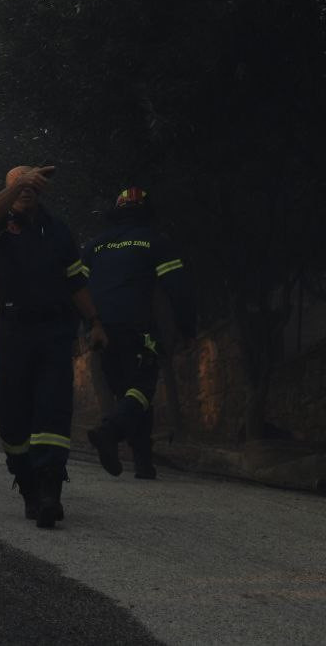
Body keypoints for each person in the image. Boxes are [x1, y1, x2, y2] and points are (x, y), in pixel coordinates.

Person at [0, 165, 108, 528]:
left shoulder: (58, 231)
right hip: (13, 334)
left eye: (31, 186)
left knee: (52, 413)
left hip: (54, 333)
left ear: (41, 192)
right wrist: (17, 182)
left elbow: (76, 282)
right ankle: (27, 487)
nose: (25, 191)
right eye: (19, 186)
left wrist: (95, 323)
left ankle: (51, 492)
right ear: (8, 191)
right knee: (10, 418)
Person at [83, 186, 196, 479]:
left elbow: (76, 289)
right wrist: (188, 329)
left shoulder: (94, 246)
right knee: (143, 389)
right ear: (146, 213)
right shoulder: (154, 242)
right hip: (136, 329)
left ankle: (144, 464)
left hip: (101, 331)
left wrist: (86, 326)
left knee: (128, 395)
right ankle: (109, 432)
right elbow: (179, 288)